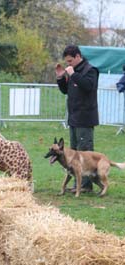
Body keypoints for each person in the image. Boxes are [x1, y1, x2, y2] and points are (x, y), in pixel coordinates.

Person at [55, 44, 99, 193]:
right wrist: (60, 78)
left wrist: (73, 74)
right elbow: (66, 91)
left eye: (70, 61)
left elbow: (88, 86)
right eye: (67, 62)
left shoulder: (90, 70)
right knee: (73, 155)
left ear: (78, 57)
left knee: (85, 153)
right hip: (74, 118)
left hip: (85, 119)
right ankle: (78, 184)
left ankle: (87, 185)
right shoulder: (73, 71)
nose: (68, 64)